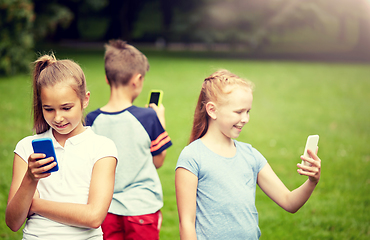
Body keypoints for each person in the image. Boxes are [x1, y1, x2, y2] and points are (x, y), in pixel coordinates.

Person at [175, 69, 321, 240]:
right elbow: (186, 224)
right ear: (212, 110)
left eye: (248, 111)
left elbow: (289, 202)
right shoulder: (192, 157)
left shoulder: (251, 156)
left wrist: (312, 181)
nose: (245, 119)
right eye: (238, 112)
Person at [5, 54, 118, 239]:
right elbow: (13, 222)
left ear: (85, 99)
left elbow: (93, 217)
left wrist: (34, 205)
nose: (57, 118)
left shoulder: (102, 148)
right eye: (48, 109)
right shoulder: (26, 147)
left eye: (66, 108)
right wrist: (30, 178)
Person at [85, 39, 172, 240]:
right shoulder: (148, 118)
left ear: (107, 79)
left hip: (104, 209)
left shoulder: (91, 120)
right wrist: (161, 122)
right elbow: (158, 161)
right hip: (142, 209)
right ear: (137, 80)